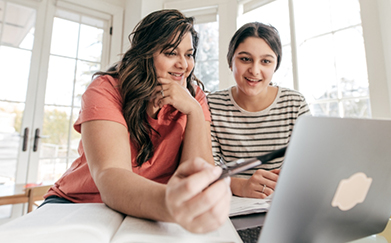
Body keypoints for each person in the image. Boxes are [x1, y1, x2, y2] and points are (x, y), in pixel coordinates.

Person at [42, 9, 231, 233]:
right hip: (79, 204)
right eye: (171, 53)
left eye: (189, 54)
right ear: (146, 53)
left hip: (146, 209)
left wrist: (195, 111)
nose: (183, 65)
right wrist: (171, 203)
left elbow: (198, 178)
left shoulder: (194, 97)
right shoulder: (106, 89)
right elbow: (111, 176)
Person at [207, 22, 310, 199]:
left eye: (265, 61)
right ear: (231, 61)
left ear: (275, 66)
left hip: (282, 201)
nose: (255, 70)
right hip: (232, 204)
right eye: (245, 59)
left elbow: (309, 165)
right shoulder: (212, 105)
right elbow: (207, 172)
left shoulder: (295, 104)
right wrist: (240, 185)